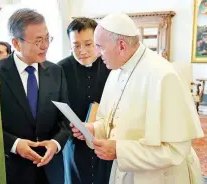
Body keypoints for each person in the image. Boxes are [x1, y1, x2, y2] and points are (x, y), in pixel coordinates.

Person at [71, 13, 204, 184]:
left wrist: (120, 151)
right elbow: (111, 121)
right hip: (124, 172)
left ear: (121, 46)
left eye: (100, 46)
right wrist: (94, 129)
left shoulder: (164, 75)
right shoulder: (116, 71)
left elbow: (176, 150)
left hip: (159, 177)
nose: (96, 53)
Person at [0, 9, 70, 184]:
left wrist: (55, 144)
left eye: (47, 38)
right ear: (16, 44)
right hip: (10, 170)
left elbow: (65, 120)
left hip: (51, 170)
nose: (45, 45)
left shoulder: (56, 72)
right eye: (38, 41)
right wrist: (15, 144)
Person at [58, 17, 112, 184]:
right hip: (74, 142)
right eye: (76, 45)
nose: (82, 50)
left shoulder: (111, 65)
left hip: (105, 141)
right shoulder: (59, 69)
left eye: (88, 44)